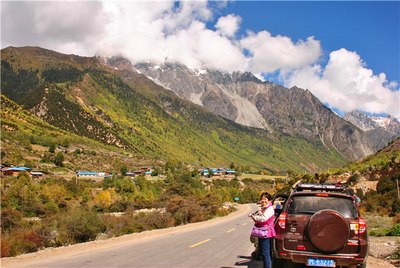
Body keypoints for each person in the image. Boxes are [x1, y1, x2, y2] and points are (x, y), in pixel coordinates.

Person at [249, 192, 276, 268]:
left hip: (266, 233)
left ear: (269, 200)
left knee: (265, 253)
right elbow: (261, 219)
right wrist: (259, 213)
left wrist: (254, 217)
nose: (263, 200)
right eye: (262, 199)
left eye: (265, 199)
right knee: (264, 253)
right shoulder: (265, 208)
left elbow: (263, 219)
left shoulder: (270, 209)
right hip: (262, 233)